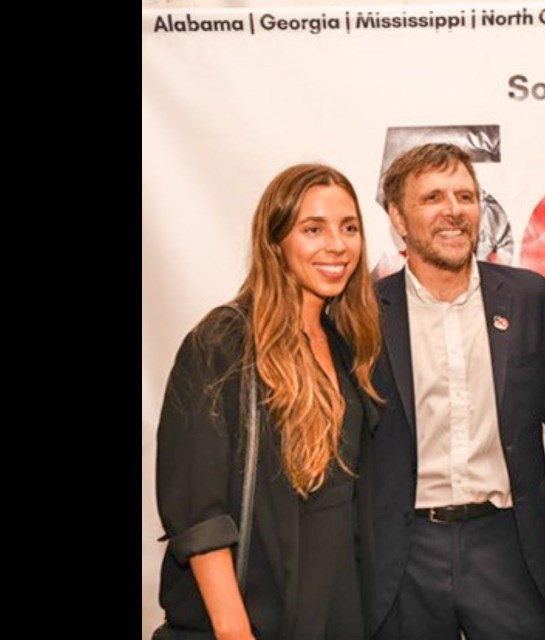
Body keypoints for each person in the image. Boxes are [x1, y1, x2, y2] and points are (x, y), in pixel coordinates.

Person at [155, 164, 382, 640]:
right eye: (313, 229)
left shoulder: (346, 344)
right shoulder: (224, 341)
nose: (337, 246)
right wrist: (234, 631)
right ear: (275, 241)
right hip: (258, 618)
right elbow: (200, 513)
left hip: (340, 611)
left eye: (350, 228)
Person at [371, 143, 545, 640]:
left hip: (505, 543)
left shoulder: (525, 297)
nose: (454, 210)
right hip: (403, 552)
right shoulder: (365, 311)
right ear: (398, 217)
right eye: (433, 197)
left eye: (465, 195)